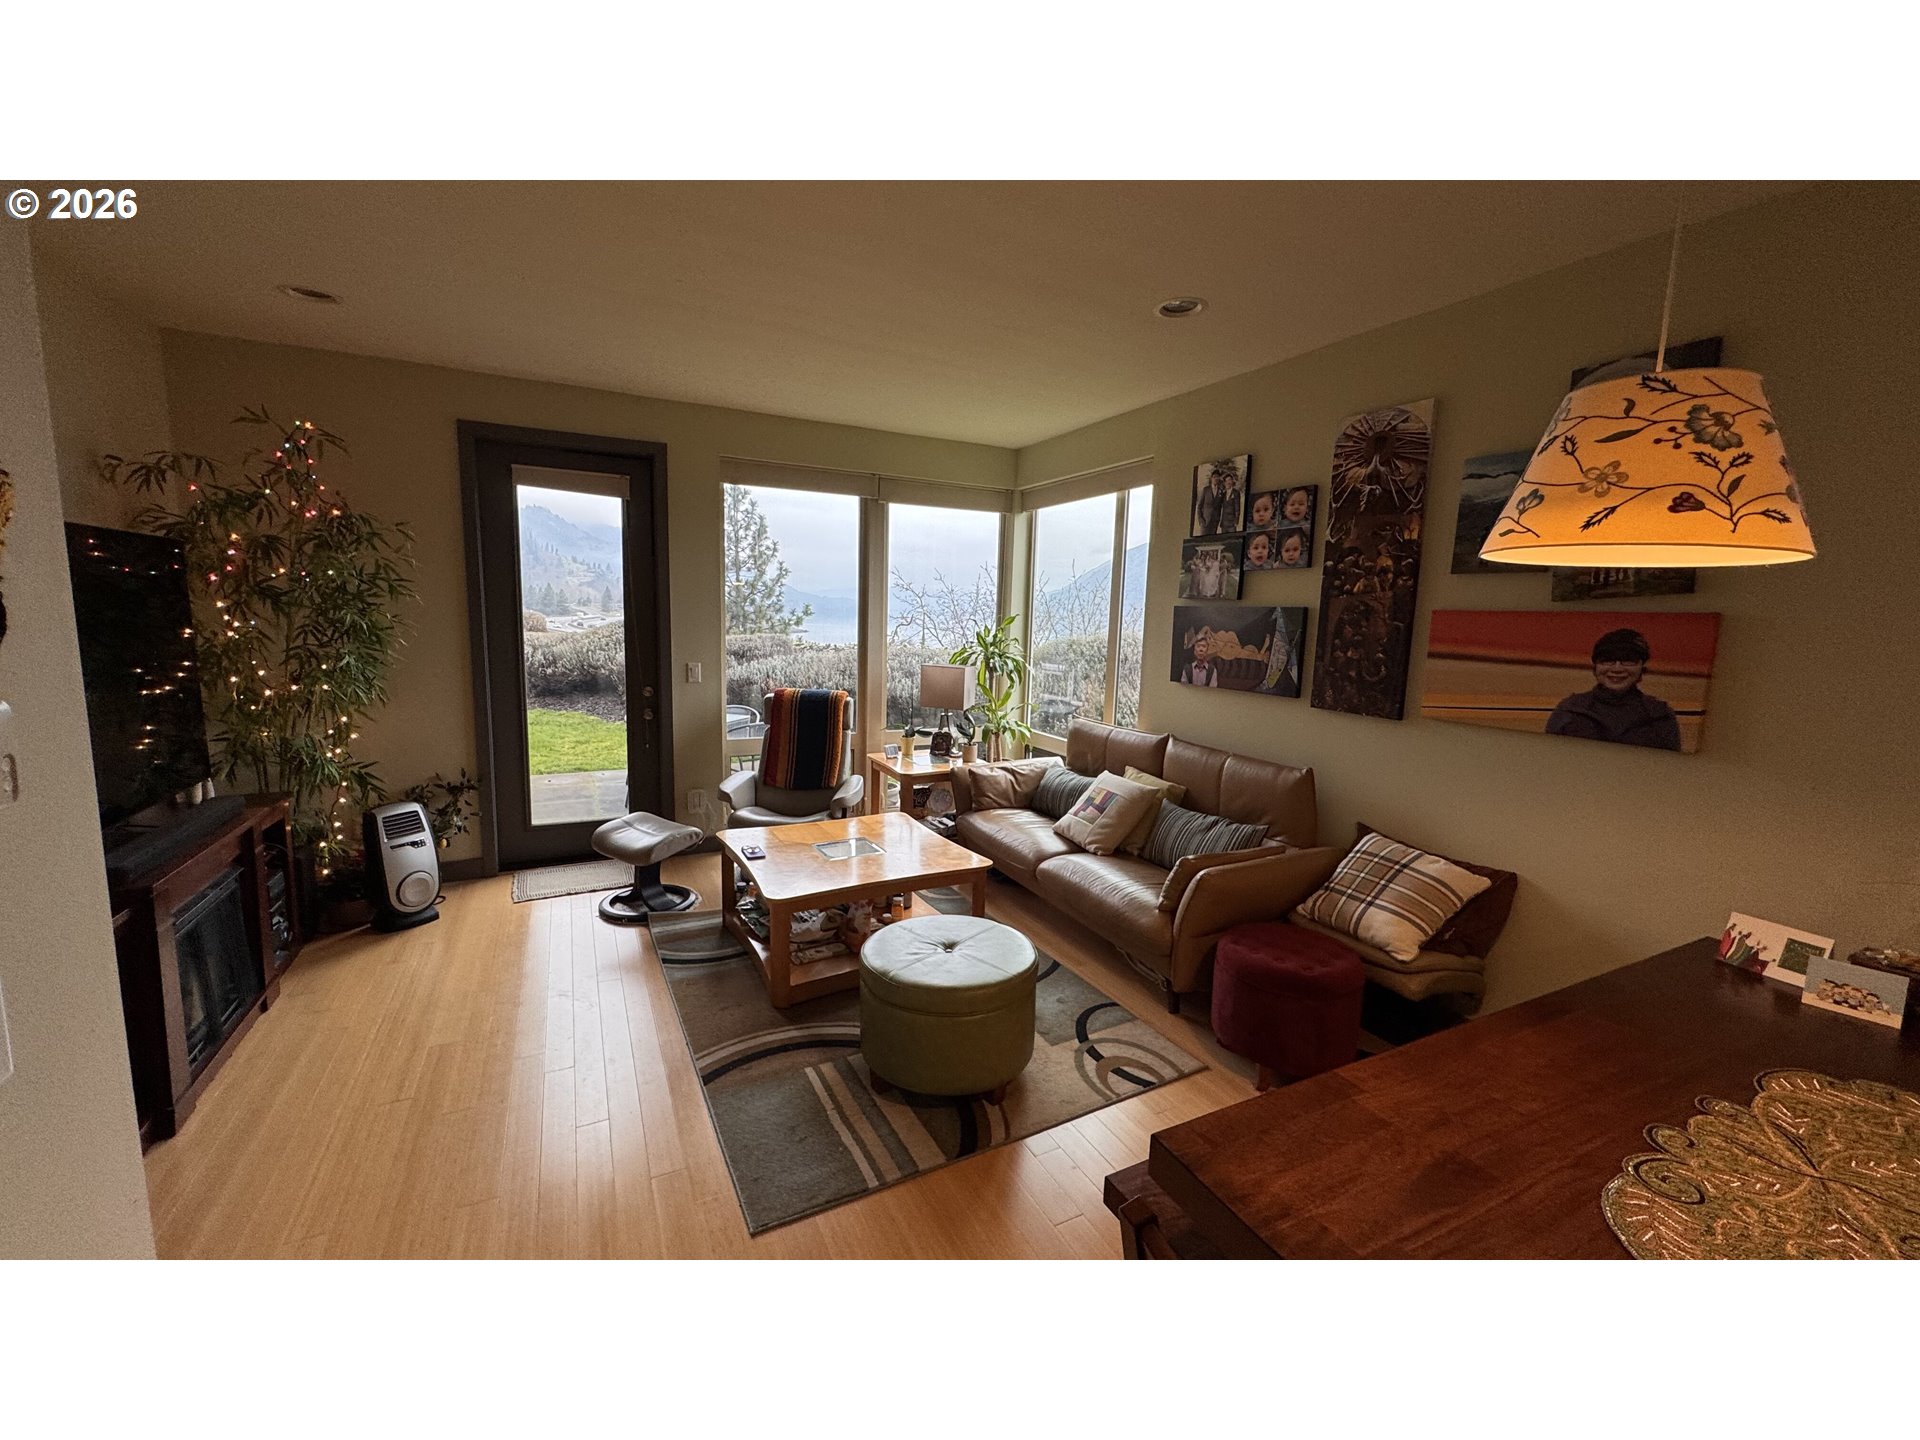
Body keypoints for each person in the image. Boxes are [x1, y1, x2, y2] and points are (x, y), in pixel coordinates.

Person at [1546, 628, 1683, 750]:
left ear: (1643, 669)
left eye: (1628, 660)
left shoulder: (1660, 716)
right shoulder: (1570, 710)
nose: (1617, 668)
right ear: (1595, 668)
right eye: (1607, 660)